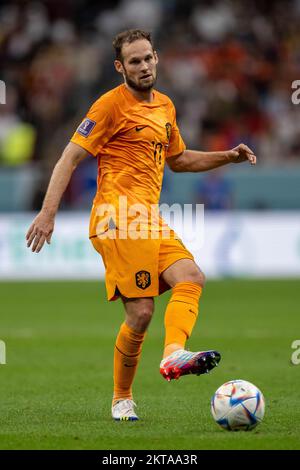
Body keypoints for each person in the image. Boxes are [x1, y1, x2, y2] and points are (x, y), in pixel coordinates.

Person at [26, 29, 257, 422]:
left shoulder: (165, 106)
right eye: (134, 61)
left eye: (148, 58)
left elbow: (180, 160)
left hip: (146, 217)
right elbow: (68, 158)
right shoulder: (109, 106)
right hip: (115, 217)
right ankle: (122, 397)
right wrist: (48, 213)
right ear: (120, 67)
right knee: (143, 311)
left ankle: (170, 357)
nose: (144, 66)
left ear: (157, 58)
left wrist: (228, 157)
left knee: (190, 277)